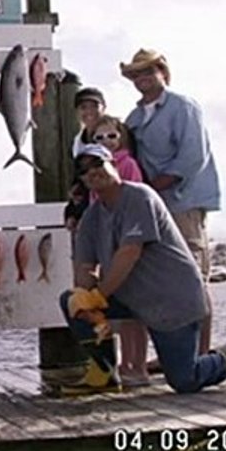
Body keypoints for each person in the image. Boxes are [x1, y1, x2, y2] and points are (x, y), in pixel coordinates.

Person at [58, 144, 226, 395]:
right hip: (133, 301)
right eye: (84, 169)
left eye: (98, 163)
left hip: (172, 301)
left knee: (186, 380)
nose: (92, 172)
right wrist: (88, 303)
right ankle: (104, 371)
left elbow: (129, 252)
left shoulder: (140, 197)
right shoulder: (90, 218)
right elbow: (84, 268)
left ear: (114, 164)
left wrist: (99, 296)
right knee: (71, 300)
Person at [121, 48, 221, 354]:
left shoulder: (183, 106)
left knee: (193, 277)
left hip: (183, 204)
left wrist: (151, 187)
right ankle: (173, 355)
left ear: (163, 72)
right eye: (136, 74)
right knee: (159, 281)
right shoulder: (134, 118)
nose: (142, 79)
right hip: (152, 209)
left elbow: (193, 158)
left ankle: (201, 354)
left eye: (148, 71)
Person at [89, 114, 149, 386]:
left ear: (121, 137)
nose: (106, 142)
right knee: (119, 313)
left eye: (111, 136)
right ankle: (123, 363)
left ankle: (137, 365)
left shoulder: (129, 165)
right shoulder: (92, 170)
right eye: (99, 138)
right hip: (108, 248)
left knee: (135, 312)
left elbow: (135, 201)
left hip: (127, 244)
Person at [64, 87, 106, 233]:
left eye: (94, 106)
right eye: (83, 107)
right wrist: (72, 212)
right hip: (88, 212)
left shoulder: (115, 135)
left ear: (104, 108)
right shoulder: (76, 143)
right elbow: (78, 182)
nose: (89, 112)